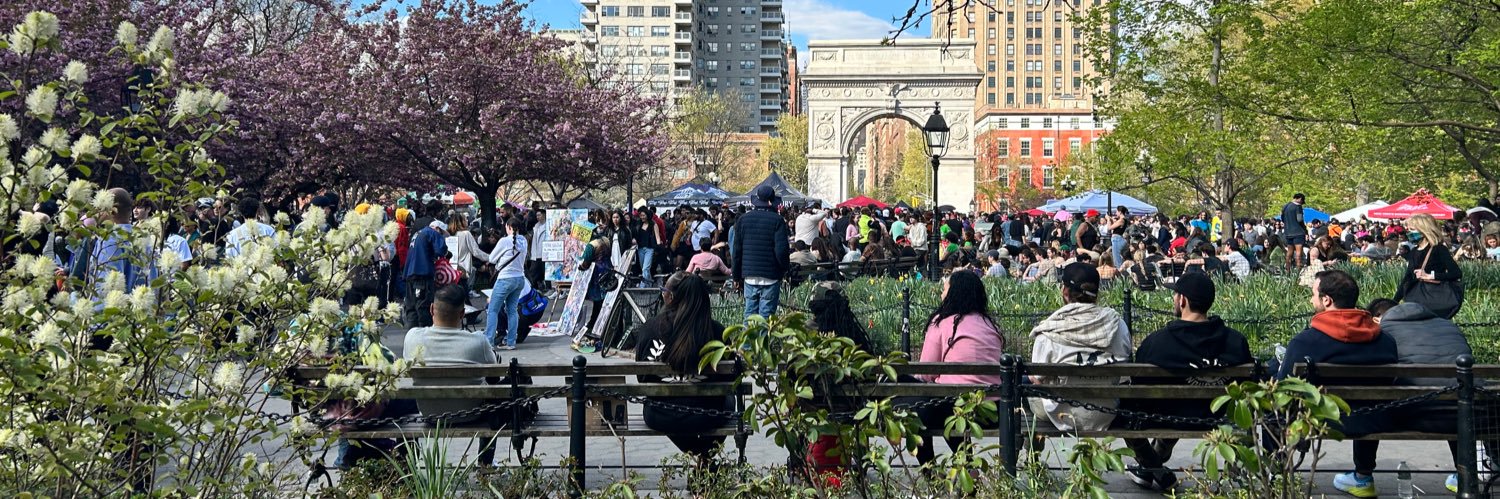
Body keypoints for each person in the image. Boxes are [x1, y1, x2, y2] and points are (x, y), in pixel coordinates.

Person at [1122, 273, 1252, 491]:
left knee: (1126, 411)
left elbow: (1138, 387)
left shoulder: (1157, 342)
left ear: (1182, 300)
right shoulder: (1236, 341)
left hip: (1167, 417)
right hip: (1219, 418)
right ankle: (1150, 469)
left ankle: (1154, 469)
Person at [1275, 270, 1397, 498]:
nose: (1311, 300)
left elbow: (1283, 389)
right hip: (1375, 418)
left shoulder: (1306, 341)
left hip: (1321, 421)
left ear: (1327, 300)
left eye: (1313, 294)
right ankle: (1363, 475)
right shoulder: (1385, 340)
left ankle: (1276, 474)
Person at [1357, 299, 1473, 494]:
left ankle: (1362, 477)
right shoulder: (1447, 326)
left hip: (1413, 415)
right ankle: (1463, 475)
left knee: (1370, 399)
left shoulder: (1383, 331)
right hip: (1462, 414)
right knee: (1453, 397)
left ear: (1377, 319)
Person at [403, 285, 510, 467]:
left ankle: (407, 466)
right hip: (471, 414)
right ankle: (485, 463)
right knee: (496, 394)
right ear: (462, 314)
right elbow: (495, 372)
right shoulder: (478, 341)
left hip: (429, 414)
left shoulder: (412, 337)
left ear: (431, 309)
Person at [633, 273, 734, 463]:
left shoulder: (650, 329)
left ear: (670, 297)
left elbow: (642, 377)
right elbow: (730, 379)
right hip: (708, 414)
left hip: (661, 414)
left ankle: (699, 456)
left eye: (664, 291)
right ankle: (705, 458)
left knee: (673, 416)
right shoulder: (717, 331)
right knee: (729, 400)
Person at [908, 270, 1004, 465]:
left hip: (954, 408)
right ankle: (966, 465)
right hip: (992, 409)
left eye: (945, 288)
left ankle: (931, 472)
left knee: (920, 412)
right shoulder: (990, 326)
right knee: (945, 403)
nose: (942, 293)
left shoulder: (942, 323)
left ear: (954, 292)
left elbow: (925, 373)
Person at [1029, 263, 1133, 432]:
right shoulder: (1118, 325)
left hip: (1062, 414)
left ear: (1065, 292)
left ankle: (1032, 451)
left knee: (1026, 389)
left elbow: (1037, 377)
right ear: (1097, 293)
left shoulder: (1049, 331)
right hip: (1107, 412)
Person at [732, 186, 790, 319]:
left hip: (749, 275)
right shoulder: (777, 220)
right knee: (766, 317)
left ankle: (748, 340)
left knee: (749, 316)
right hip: (770, 275)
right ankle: (763, 340)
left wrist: (736, 276)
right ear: (771, 202)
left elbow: (737, 251)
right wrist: (785, 270)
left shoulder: (743, 220)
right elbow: (781, 251)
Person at [1394, 213, 1464, 319]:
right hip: (1415, 300)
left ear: (1424, 230)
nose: (1409, 233)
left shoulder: (1438, 249)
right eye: (1408, 230)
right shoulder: (1413, 251)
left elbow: (1456, 273)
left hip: (1435, 300)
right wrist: (1393, 302)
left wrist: (1431, 276)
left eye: (1412, 229)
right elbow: (1407, 278)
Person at [483, 218, 528, 350]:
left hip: (505, 279)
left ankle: (489, 342)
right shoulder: (523, 240)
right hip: (520, 279)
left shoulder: (504, 241)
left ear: (508, 227)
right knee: (512, 310)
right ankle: (511, 342)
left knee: (493, 310)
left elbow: (491, 258)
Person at [402, 219, 449, 328]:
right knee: (423, 305)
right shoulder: (431, 232)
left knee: (411, 306)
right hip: (422, 273)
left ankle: (412, 333)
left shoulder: (418, 233)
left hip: (410, 273)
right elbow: (441, 249)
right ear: (437, 229)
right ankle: (424, 332)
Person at [1282, 193, 1308, 271]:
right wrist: (1305, 229)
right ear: (1299, 199)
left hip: (1288, 232)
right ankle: (1298, 271)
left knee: (1289, 252)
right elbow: (1299, 219)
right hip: (1298, 232)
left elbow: (1282, 218)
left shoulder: (1285, 206)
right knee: (1298, 253)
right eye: (1302, 201)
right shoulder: (1298, 207)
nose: (1302, 203)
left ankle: (1287, 270)